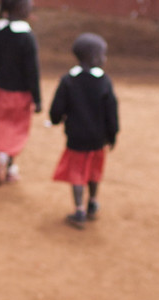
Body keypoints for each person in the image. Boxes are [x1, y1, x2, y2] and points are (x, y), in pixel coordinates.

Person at [49, 33, 119, 229]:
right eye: (103, 55)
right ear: (94, 57)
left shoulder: (68, 80)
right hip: (98, 140)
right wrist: (112, 135)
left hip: (76, 139)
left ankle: (79, 209)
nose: (105, 59)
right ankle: (93, 202)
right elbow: (111, 112)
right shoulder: (104, 82)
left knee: (77, 174)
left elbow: (56, 109)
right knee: (94, 172)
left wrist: (55, 120)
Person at [0, 0, 42, 184]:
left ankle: (1, 157)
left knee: (1, 127)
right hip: (21, 95)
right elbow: (32, 71)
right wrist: (37, 98)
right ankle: (8, 163)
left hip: (0, 92)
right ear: (20, 7)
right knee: (16, 130)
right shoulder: (27, 37)